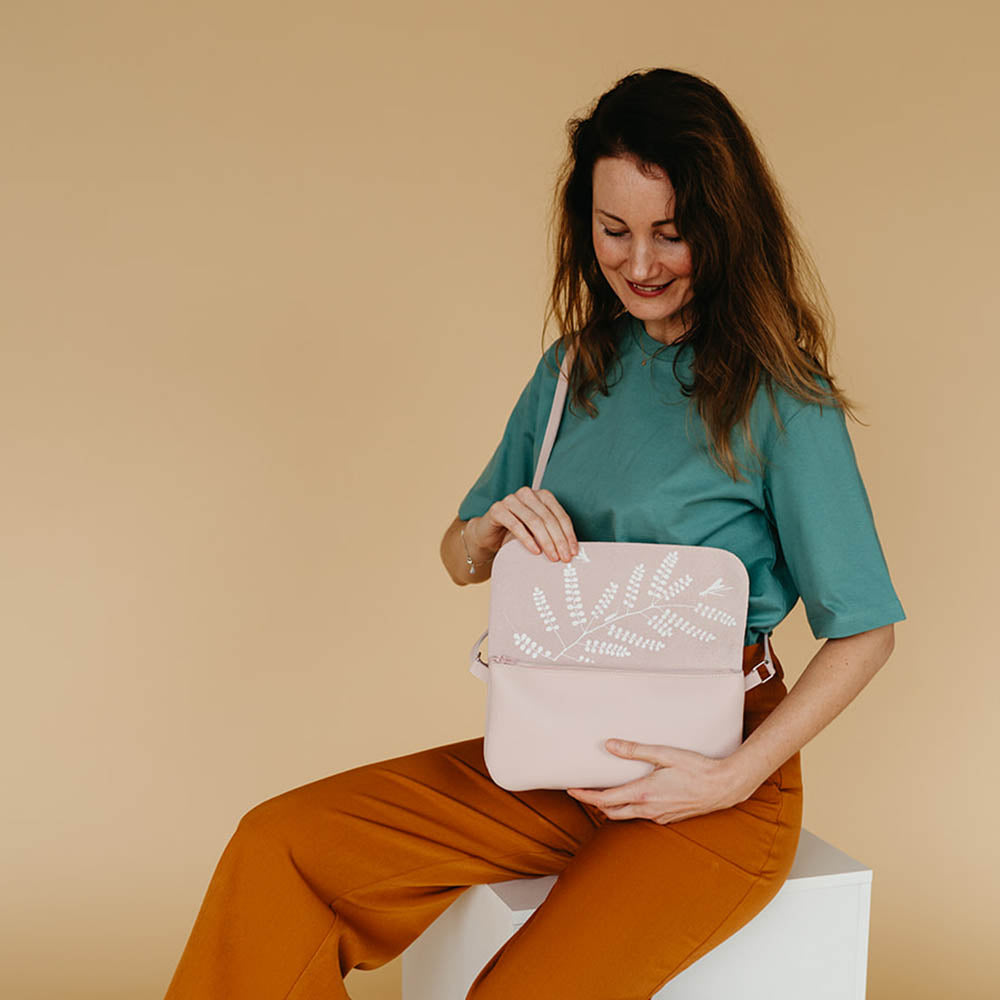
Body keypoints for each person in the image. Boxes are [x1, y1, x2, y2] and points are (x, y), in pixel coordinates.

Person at [163, 68, 905, 999]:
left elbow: (866, 630)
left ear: (724, 227)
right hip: (550, 752)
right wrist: (485, 530)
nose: (641, 263)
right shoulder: (573, 371)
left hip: (710, 781)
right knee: (279, 849)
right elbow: (458, 555)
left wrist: (734, 777)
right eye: (615, 230)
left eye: (672, 232)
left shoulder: (779, 398)